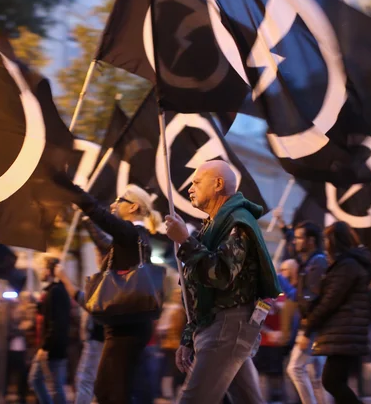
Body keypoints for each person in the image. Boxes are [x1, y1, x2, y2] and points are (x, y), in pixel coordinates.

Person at [163, 160, 281, 404]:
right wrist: (188, 337)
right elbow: (195, 288)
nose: (190, 188)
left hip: (227, 325)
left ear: (217, 184)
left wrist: (185, 241)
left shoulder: (238, 222)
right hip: (220, 325)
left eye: (196, 182)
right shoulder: (214, 225)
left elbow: (221, 275)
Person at [56, 184, 162, 404]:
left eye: (119, 200)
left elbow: (98, 213)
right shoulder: (133, 237)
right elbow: (103, 239)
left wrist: (70, 188)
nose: (114, 204)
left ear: (133, 207)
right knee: (106, 389)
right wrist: (86, 222)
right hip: (125, 327)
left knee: (113, 392)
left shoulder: (131, 233)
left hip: (127, 329)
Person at [302, 221, 371, 404]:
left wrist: (309, 327)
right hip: (345, 332)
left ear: (335, 241)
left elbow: (330, 301)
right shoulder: (346, 264)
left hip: (345, 331)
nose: (325, 244)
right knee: (336, 382)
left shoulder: (347, 265)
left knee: (332, 381)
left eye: (327, 239)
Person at [285, 221, 328, 404]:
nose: (295, 242)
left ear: (310, 240)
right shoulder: (311, 260)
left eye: (299, 238)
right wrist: (282, 227)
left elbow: (312, 299)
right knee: (316, 378)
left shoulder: (317, 263)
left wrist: (307, 332)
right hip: (315, 326)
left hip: (311, 326)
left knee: (295, 368)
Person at [28, 257, 70, 404]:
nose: (40, 271)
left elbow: (56, 322)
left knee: (48, 384)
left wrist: (45, 347)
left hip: (52, 348)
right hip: (52, 346)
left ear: (49, 271)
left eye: (42, 267)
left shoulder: (56, 291)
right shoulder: (53, 291)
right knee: (46, 383)